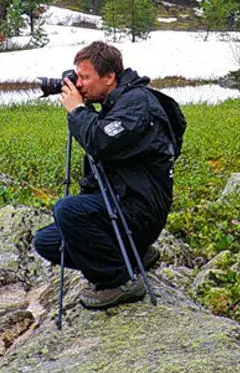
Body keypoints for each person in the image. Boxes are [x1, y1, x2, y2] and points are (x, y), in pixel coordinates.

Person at [33, 41, 177, 310]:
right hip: (122, 206)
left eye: (85, 77)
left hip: (140, 211)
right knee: (48, 242)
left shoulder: (137, 105)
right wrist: (83, 107)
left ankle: (120, 282)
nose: (81, 84)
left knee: (68, 210)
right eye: (78, 77)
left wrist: (77, 110)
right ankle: (136, 257)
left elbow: (101, 142)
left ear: (110, 77)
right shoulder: (115, 102)